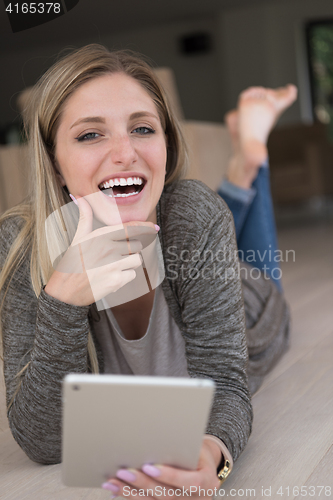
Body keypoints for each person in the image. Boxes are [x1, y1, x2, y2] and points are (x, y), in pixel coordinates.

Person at [0, 44, 293, 497]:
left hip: (251, 302)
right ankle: (244, 163)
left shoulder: (192, 214)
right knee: (204, 222)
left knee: (255, 267)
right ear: (55, 163)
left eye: (142, 128)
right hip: (188, 236)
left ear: (166, 145)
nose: (125, 152)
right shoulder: (22, 248)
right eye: (89, 135)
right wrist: (61, 300)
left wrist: (211, 456)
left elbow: (229, 386)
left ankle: (250, 158)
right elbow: (42, 440)